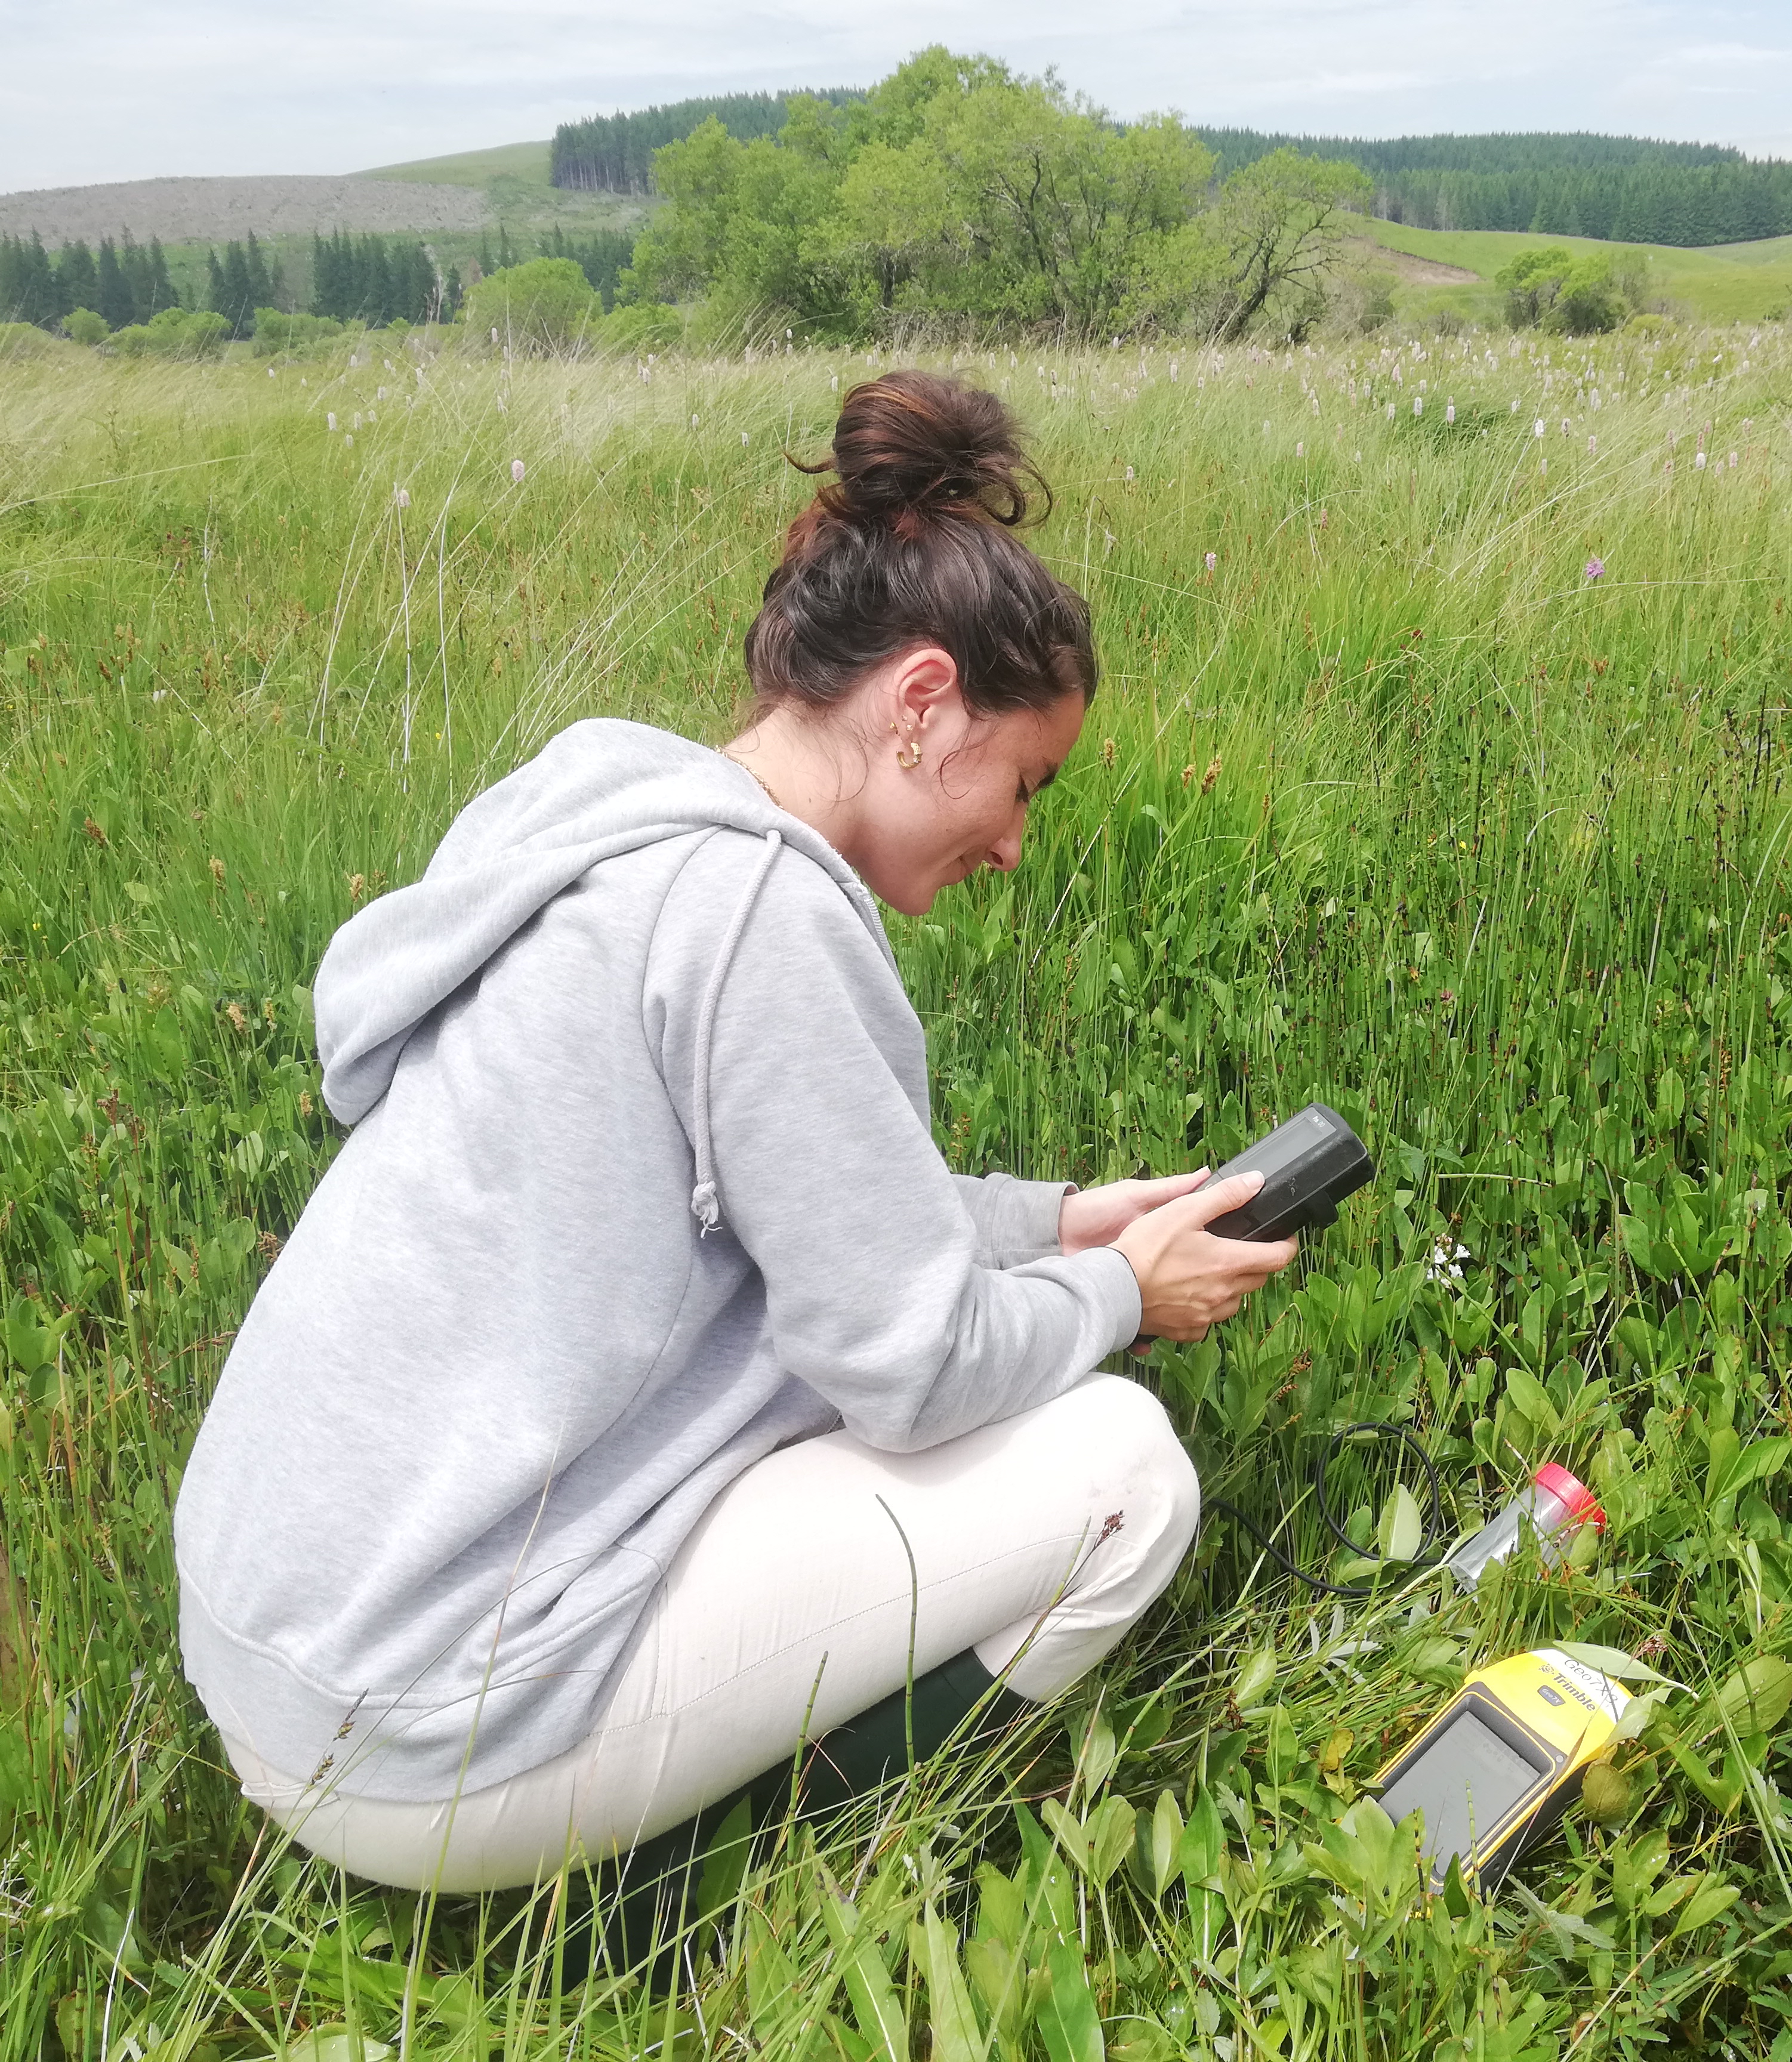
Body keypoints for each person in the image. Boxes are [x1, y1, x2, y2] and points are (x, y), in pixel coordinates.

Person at [171, 370, 1298, 1911]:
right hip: (424, 1738)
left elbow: (791, 1204)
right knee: (1126, 1475)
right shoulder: (760, 916)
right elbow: (910, 1372)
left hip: (279, 1651)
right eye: (1023, 781)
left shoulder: (609, 821)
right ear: (919, 703)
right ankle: (696, 1903)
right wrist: (1122, 1297)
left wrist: (1055, 1226)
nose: (1016, 841)